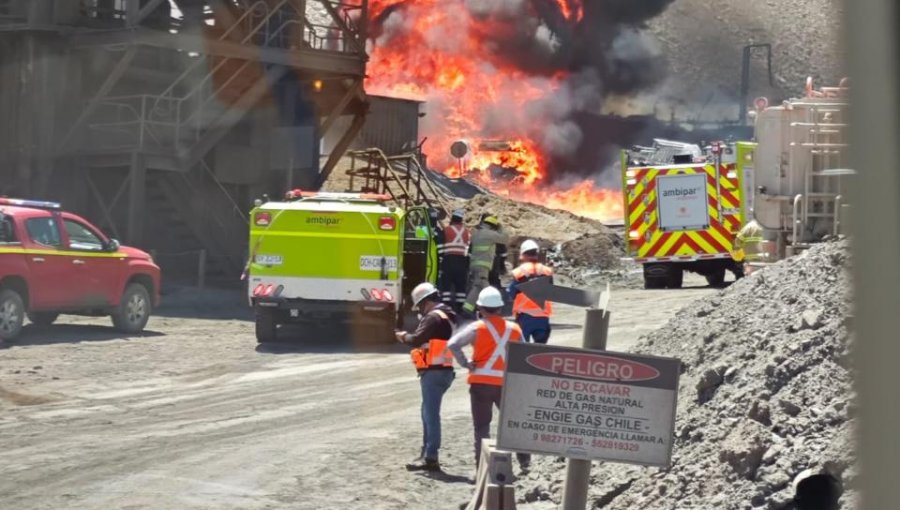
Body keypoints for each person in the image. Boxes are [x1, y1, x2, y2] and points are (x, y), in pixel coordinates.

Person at [447, 286, 531, 471]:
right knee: (513, 422)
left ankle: (482, 469)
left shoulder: (477, 327)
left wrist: (466, 363)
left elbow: (452, 344)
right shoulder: (515, 329)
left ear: (481, 309)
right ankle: (524, 461)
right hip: (506, 385)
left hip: (480, 384)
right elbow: (526, 353)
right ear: (500, 308)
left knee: (482, 428)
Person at [396, 282, 457, 472]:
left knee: (430, 415)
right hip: (444, 369)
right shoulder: (449, 315)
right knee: (427, 412)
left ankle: (431, 458)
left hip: (434, 371)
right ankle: (426, 454)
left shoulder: (433, 317)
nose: (420, 310)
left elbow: (417, 339)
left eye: (420, 306)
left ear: (425, 302)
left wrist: (403, 336)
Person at [508, 239, 554, 344]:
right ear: (536, 254)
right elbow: (551, 292)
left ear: (523, 254)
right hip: (543, 317)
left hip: (525, 317)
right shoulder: (547, 271)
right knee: (540, 351)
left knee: (522, 350)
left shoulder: (519, 272)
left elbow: (512, 293)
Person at [463, 215, 508, 317]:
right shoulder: (489, 234)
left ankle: (469, 309)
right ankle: (488, 309)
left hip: (474, 265)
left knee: (477, 287)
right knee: (486, 289)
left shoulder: (475, 234)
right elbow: (505, 238)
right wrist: (501, 227)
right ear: (492, 226)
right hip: (483, 267)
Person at [437, 209, 470, 312]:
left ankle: (446, 305)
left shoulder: (446, 230)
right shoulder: (467, 232)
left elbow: (440, 246)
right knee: (460, 284)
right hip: (462, 261)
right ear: (461, 219)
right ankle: (460, 307)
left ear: (452, 218)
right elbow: (469, 248)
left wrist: (441, 256)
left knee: (446, 283)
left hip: (448, 260)